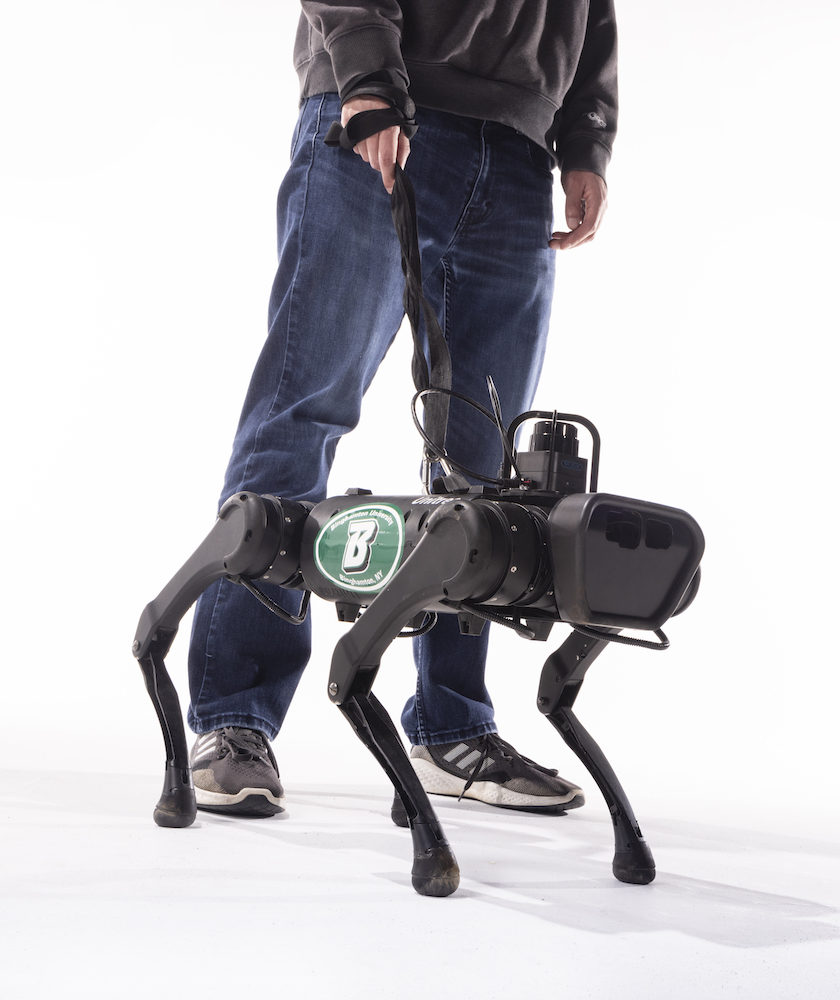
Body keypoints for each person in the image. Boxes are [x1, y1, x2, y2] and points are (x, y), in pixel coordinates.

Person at [187, 1, 618, 818]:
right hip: (386, 108)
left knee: (488, 464)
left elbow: (592, 14)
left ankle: (453, 726)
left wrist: (586, 141)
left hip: (520, 152)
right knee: (305, 407)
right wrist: (367, 79)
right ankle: (233, 717)